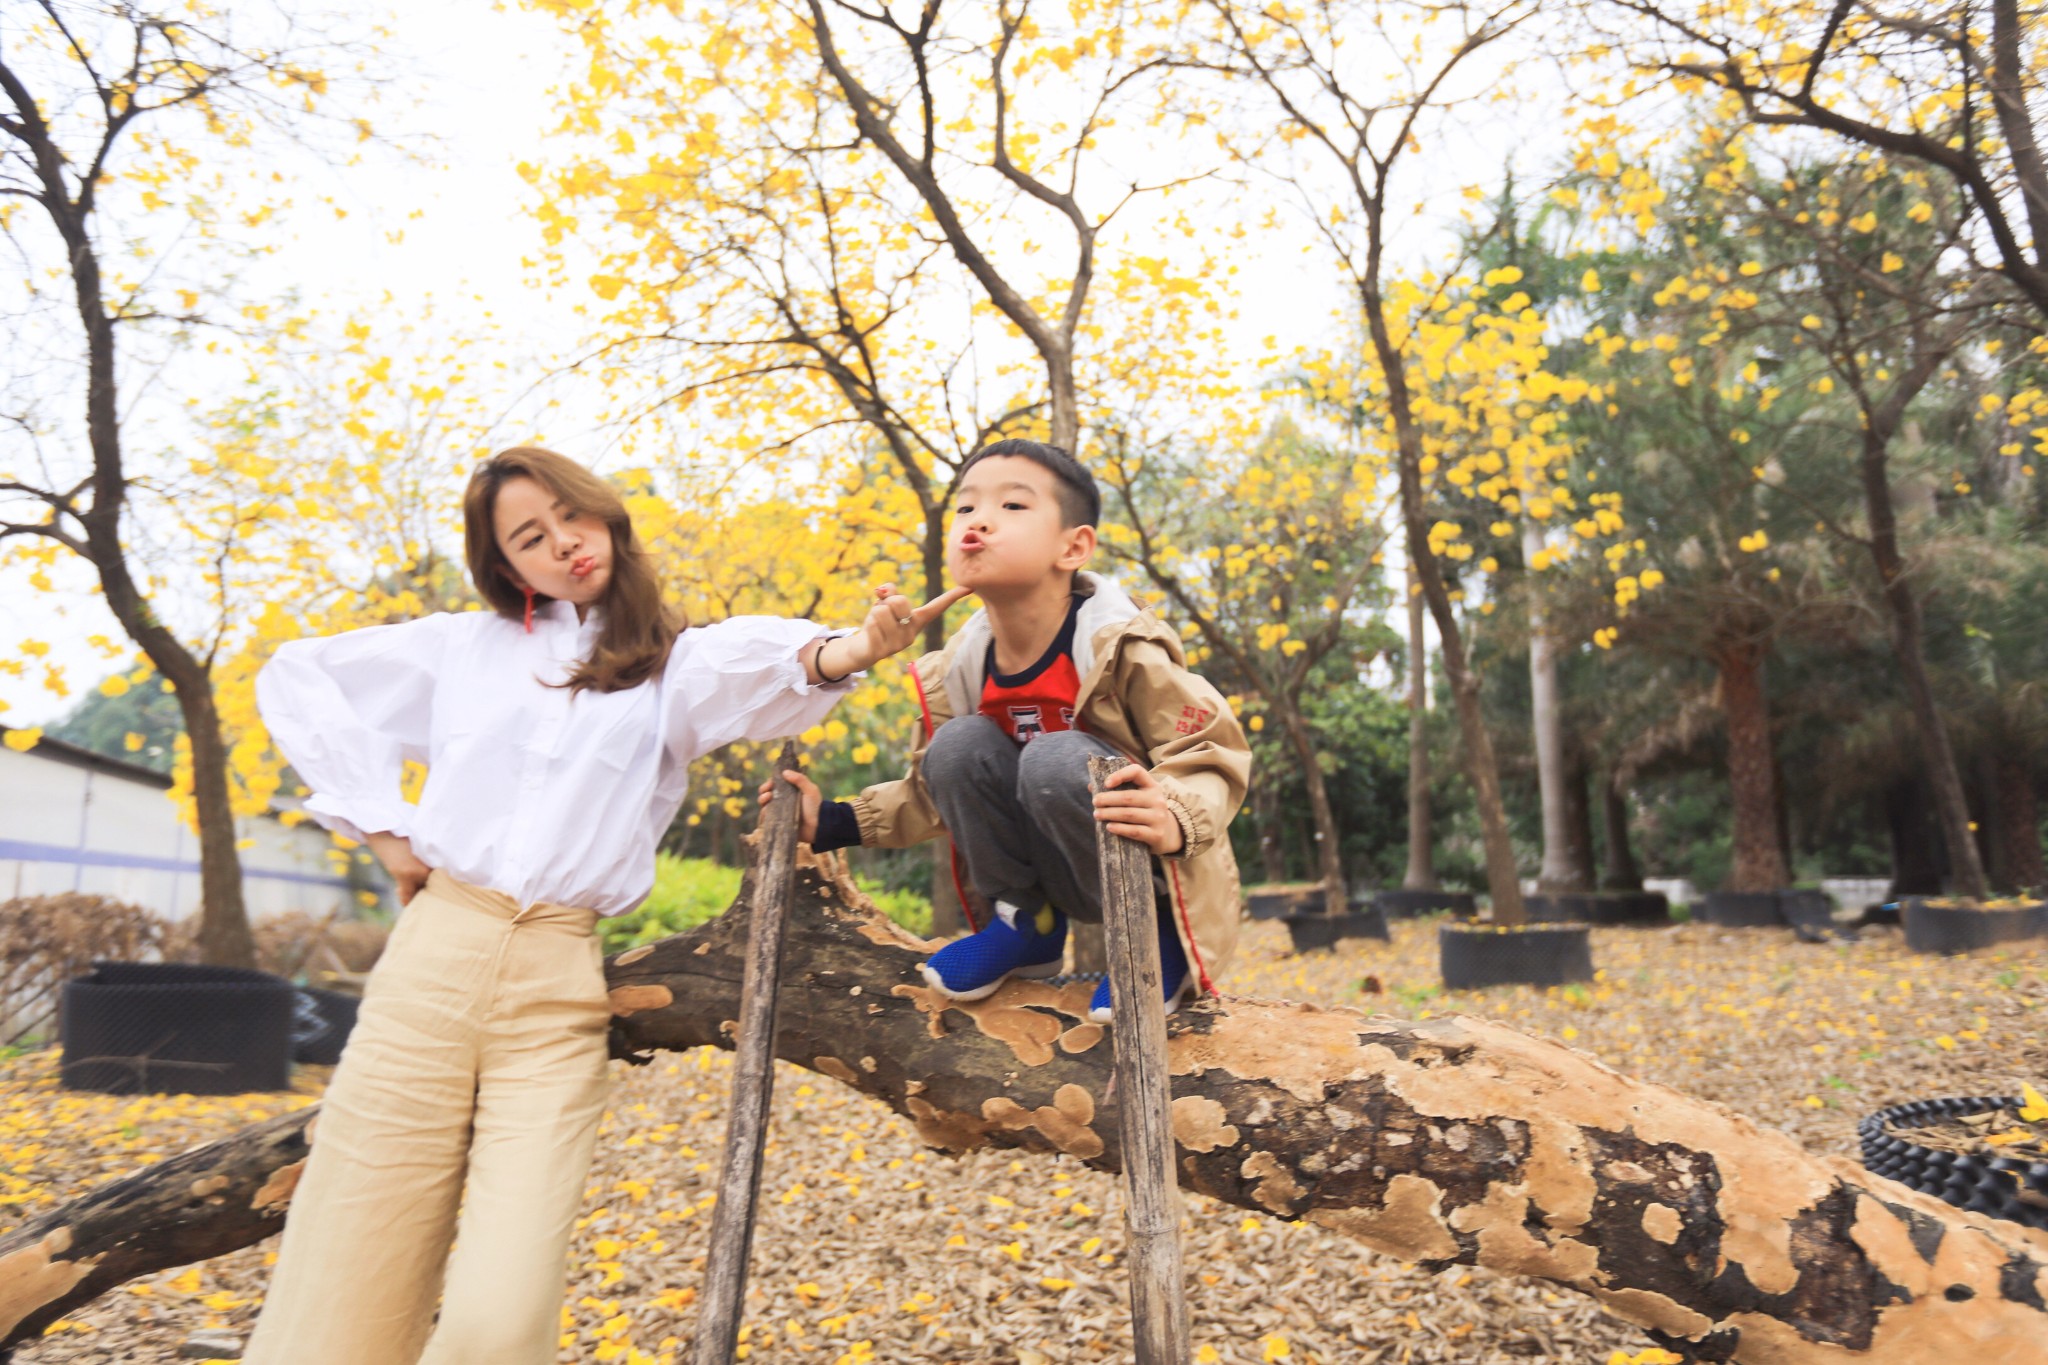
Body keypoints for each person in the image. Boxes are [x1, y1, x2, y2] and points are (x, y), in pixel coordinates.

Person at [243, 445, 963, 1365]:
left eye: (570, 516)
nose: (563, 543)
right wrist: (385, 829)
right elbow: (301, 676)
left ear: (604, 515)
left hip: (554, 985)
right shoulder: (461, 648)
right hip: (433, 960)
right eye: (530, 538)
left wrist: (858, 645)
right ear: (509, 568)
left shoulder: (671, 669)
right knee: (345, 1275)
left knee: (501, 1313)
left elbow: (784, 666)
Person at [763, 438, 1250, 1022]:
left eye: (1012, 507)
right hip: (1054, 864)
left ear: (1074, 546)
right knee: (959, 746)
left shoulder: (1121, 646)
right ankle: (1028, 924)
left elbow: (1212, 748)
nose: (979, 521)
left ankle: (1154, 937)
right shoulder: (962, 669)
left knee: (1053, 758)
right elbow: (931, 792)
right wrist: (835, 821)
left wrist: (1174, 812)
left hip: (1151, 868)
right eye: (966, 508)